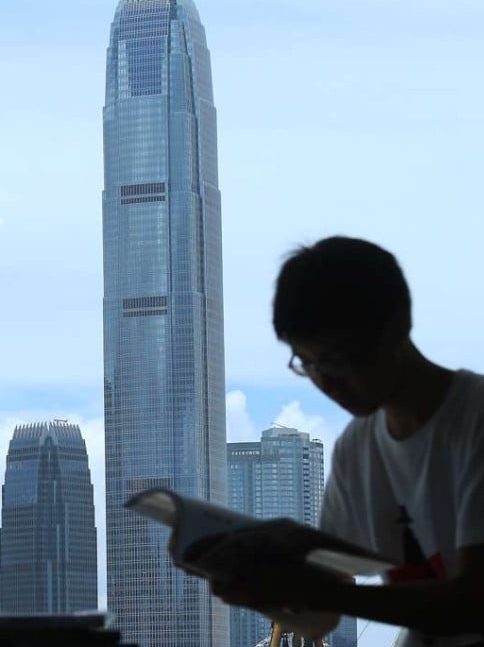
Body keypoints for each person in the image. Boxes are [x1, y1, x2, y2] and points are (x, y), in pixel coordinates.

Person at [196, 237, 484, 646]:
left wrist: (323, 591)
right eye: (307, 363)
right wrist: (252, 582)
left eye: (336, 359)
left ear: (397, 327)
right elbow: (319, 623)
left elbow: (473, 602)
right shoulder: (357, 449)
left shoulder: (474, 422)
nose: (325, 382)